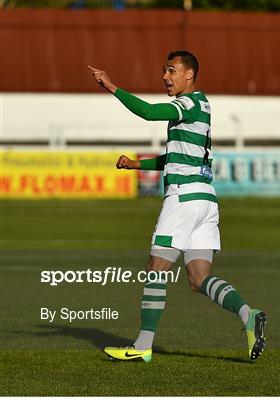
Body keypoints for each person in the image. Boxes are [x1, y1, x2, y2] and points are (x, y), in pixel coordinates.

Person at [88, 51, 267, 362]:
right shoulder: (200, 107)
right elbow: (179, 157)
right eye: (164, 71)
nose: (165, 77)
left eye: (172, 71)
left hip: (183, 199)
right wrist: (137, 164)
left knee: (156, 269)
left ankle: (143, 345)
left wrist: (111, 85)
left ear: (189, 75)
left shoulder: (186, 104)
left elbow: (146, 111)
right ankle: (248, 314)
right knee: (199, 278)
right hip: (205, 201)